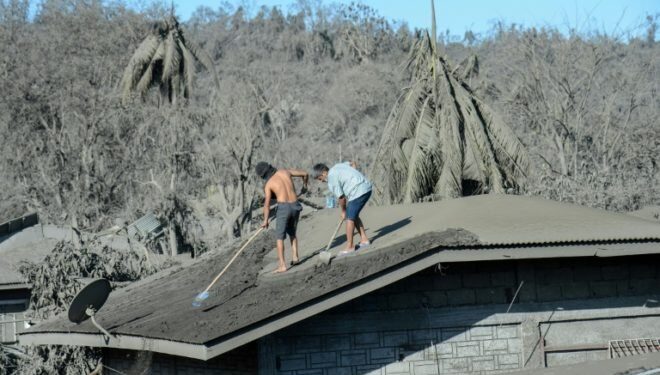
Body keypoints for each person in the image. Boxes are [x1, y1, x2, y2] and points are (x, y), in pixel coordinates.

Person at [255, 161, 308, 273]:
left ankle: (282, 265)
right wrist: (304, 187)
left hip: (284, 208)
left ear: (263, 175)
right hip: (295, 205)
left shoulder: (269, 184)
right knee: (292, 233)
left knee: (279, 237)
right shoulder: (285, 171)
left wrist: (265, 220)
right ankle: (295, 257)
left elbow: (267, 204)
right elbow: (305, 173)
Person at [312, 161, 372, 255]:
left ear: (324, 172)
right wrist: (352, 178)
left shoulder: (331, 178)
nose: (321, 181)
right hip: (366, 187)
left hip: (358, 191)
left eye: (320, 178)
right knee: (353, 215)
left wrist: (343, 211)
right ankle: (364, 240)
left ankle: (350, 246)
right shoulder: (338, 166)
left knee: (349, 218)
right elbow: (353, 163)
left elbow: (341, 198)